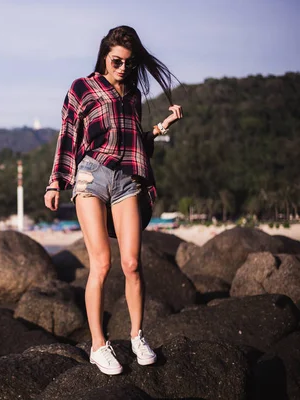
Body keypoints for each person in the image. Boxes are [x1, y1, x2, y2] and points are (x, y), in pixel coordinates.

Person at [44, 25, 183, 375]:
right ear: (105, 56)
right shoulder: (83, 88)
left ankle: (137, 336)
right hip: (91, 176)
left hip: (127, 183)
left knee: (133, 264)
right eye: (117, 60)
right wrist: (55, 183)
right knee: (102, 264)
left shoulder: (133, 95)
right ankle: (98, 345)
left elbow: (136, 142)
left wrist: (163, 125)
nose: (122, 67)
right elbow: (68, 137)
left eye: (129, 63)